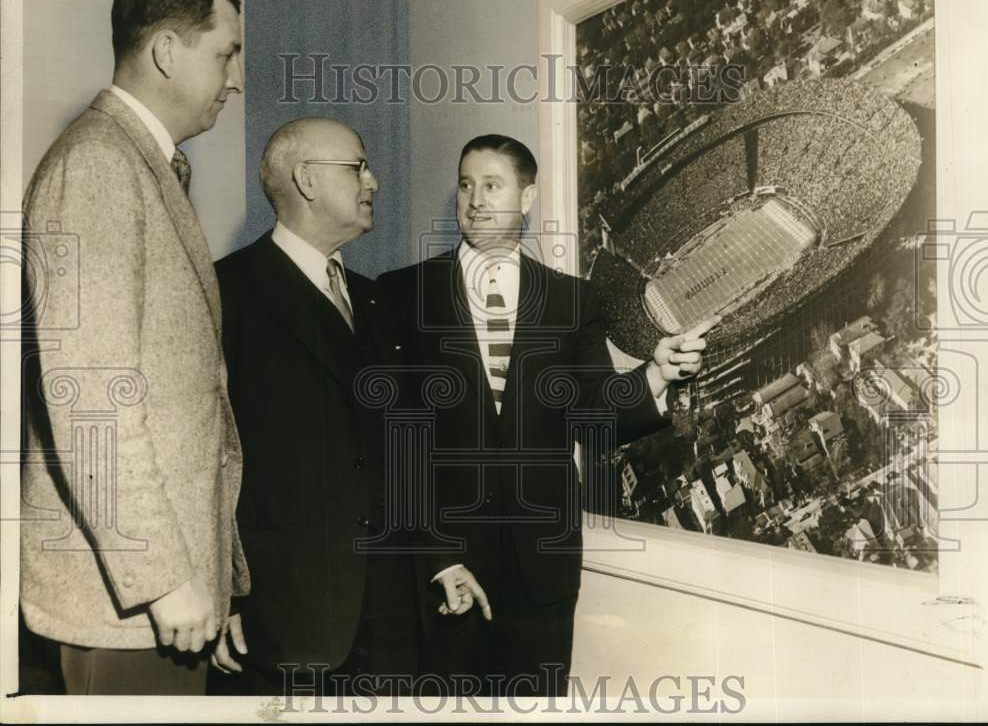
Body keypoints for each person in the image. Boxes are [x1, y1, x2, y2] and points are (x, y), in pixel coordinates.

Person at [377, 134, 715, 696]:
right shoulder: (402, 295)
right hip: (445, 568)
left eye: (492, 185)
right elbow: (396, 442)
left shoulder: (571, 300)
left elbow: (594, 415)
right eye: (465, 184)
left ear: (527, 198)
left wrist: (656, 374)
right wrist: (438, 559)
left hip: (543, 573)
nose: (475, 199)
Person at [20, 0, 248, 694]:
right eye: (226, 53)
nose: (234, 78)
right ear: (166, 53)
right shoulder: (97, 164)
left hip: (167, 597)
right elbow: (89, 396)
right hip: (128, 604)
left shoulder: (141, 164)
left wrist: (214, 576)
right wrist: (163, 579)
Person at [208, 117, 422, 697]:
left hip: (387, 620)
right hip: (280, 620)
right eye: (358, 167)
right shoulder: (225, 292)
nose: (373, 181)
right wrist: (220, 593)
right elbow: (205, 457)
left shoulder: (374, 298)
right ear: (306, 179)